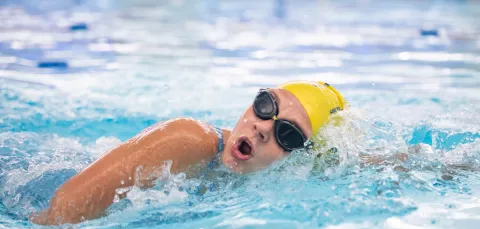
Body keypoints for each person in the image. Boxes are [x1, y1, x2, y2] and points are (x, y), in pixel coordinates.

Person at [31, 80, 347, 225]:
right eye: (266, 105)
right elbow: (61, 212)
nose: (263, 127)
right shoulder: (188, 139)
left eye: (287, 134)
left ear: (302, 157)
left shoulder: (291, 174)